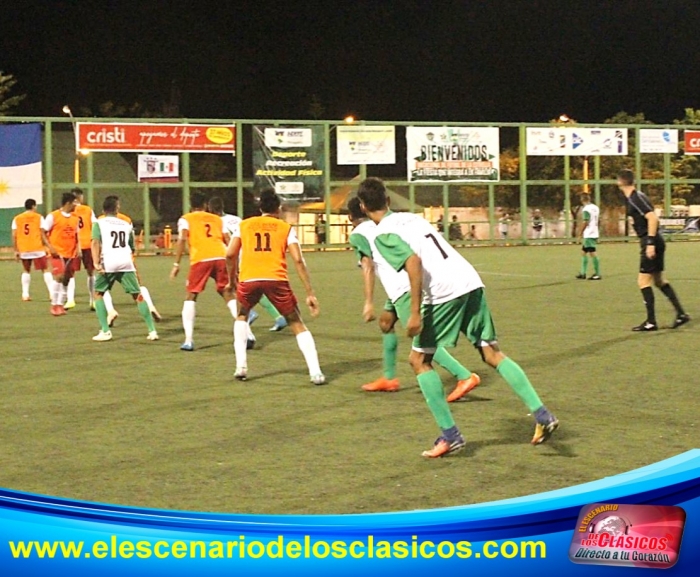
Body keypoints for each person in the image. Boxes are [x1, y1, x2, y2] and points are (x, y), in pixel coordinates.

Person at [357, 177, 558, 458]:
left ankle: (451, 436)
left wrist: (414, 312)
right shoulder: (411, 219)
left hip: (442, 293)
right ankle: (543, 415)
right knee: (491, 352)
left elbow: (412, 263)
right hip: (469, 281)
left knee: (419, 360)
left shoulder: (382, 234)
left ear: (363, 207)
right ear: (388, 201)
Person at [347, 197, 480, 398]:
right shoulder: (382, 223)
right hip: (404, 283)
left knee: (421, 340)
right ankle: (389, 378)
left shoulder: (358, 234)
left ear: (350, 217)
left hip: (403, 288)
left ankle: (463, 375)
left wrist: (368, 302)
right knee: (386, 322)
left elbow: (367, 266)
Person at [226, 188, 324, 384]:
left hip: (249, 279)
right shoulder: (285, 228)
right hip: (276, 279)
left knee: (242, 316)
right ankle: (316, 372)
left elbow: (230, 254)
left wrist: (231, 280)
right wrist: (310, 292)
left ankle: (241, 367)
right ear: (278, 208)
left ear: (259, 207)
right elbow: (298, 260)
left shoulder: (244, 225)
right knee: (296, 323)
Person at [171, 192, 250, 351]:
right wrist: (232, 262)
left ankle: (188, 340)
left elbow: (182, 239)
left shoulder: (186, 219)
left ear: (190, 205)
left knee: (191, 296)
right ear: (206, 205)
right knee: (228, 294)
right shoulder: (217, 219)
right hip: (221, 257)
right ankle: (247, 334)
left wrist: (176, 263)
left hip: (201, 259)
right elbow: (228, 240)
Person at [617, 170, 689, 331]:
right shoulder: (637, 195)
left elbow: (652, 218)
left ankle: (651, 322)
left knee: (643, 281)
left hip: (652, 241)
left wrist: (649, 243)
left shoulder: (635, 198)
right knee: (659, 281)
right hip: (657, 240)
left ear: (620, 182)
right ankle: (681, 314)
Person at [208, 196, 287, 333]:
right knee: (253, 288)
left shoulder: (216, 222)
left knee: (237, 289)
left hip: (233, 258)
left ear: (210, 209)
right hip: (248, 254)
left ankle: (255, 314)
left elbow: (227, 242)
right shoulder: (237, 219)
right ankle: (275, 316)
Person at [90, 196, 159, 342]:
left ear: (103, 210)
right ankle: (152, 330)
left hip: (109, 262)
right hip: (126, 262)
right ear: (117, 209)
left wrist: (96, 262)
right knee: (137, 295)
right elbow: (132, 247)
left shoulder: (99, 223)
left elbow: (95, 242)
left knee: (98, 294)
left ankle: (105, 331)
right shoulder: (125, 224)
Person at [43, 192, 81, 316]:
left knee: (66, 279)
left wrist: (78, 248)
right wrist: (50, 247)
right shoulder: (53, 216)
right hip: (57, 253)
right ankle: (54, 305)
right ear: (68, 203)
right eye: (75, 202)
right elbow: (42, 232)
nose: (77, 204)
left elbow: (77, 235)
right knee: (59, 276)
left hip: (70, 253)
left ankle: (60, 304)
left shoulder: (75, 218)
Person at [11, 198, 53, 301]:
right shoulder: (39, 217)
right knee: (45, 269)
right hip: (37, 247)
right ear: (33, 206)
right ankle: (52, 294)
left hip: (24, 248)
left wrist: (16, 250)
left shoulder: (17, 218)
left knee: (26, 270)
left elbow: (14, 235)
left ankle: (25, 294)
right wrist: (48, 245)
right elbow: (42, 233)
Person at [65, 188, 96, 310]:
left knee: (70, 274)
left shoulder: (68, 211)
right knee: (91, 272)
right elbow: (95, 225)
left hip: (73, 245)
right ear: (80, 197)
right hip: (87, 244)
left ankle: (70, 300)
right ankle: (93, 300)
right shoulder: (88, 210)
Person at [576, 194, 601, 280]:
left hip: (589, 234)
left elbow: (585, 222)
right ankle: (583, 273)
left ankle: (597, 274)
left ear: (582, 200)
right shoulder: (595, 207)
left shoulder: (586, 209)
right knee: (583, 252)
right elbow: (598, 221)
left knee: (592, 252)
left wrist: (580, 233)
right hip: (594, 232)